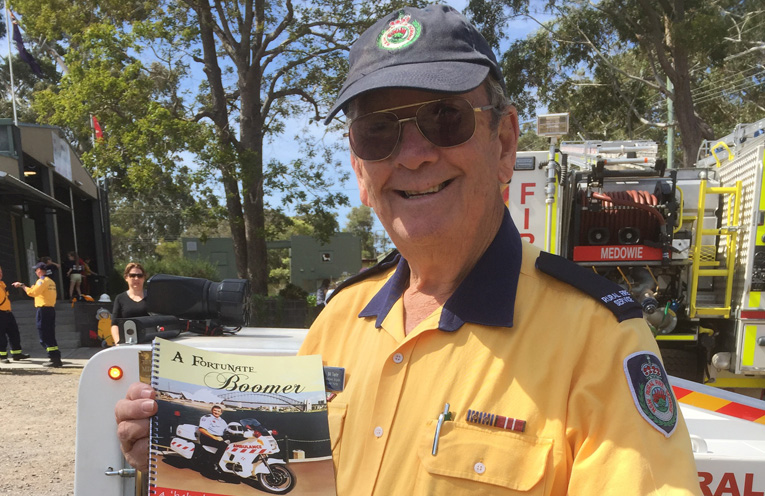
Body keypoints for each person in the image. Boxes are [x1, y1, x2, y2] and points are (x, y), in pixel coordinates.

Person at [115, 5, 702, 494]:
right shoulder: (339, 320)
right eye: (378, 131)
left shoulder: (597, 339)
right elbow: (281, 479)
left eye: (444, 118)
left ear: (503, 142)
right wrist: (171, 450)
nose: (414, 153)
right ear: (360, 169)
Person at [13, 262, 61, 367]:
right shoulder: (51, 281)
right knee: (50, 334)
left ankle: (54, 358)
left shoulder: (41, 281)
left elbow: (32, 293)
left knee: (44, 335)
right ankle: (55, 358)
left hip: (43, 310)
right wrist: (33, 288)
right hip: (50, 309)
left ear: (39, 270)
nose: (35, 272)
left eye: (36, 270)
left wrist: (22, 286)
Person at [111, 262, 150, 345]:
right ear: (126, 277)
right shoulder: (120, 298)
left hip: (150, 343)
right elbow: (114, 324)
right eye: (132, 275)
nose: (136, 278)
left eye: (140, 276)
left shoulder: (153, 296)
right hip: (127, 344)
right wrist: (118, 344)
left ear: (144, 278)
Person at [0, 265, 30, 363]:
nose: (0, 273)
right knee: (1, 336)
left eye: (1, 271)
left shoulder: (2, 284)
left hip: (7, 312)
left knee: (14, 333)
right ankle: (2, 356)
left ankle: (17, 353)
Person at [198, 404, 229, 472]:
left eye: (218, 411)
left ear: (221, 413)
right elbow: (201, 429)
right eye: (215, 410)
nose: (216, 412)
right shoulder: (207, 418)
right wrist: (214, 438)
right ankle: (214, 463)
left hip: (218, 437)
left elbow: (227, 430)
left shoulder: (222, 421)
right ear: (212, 411)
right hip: (207, 437)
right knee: (223, 445)